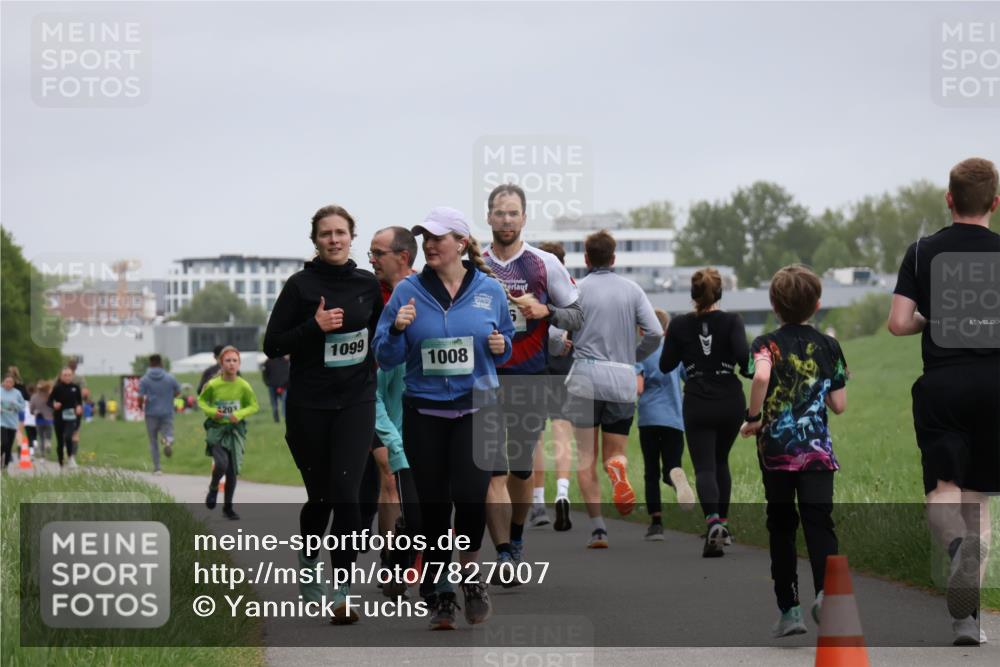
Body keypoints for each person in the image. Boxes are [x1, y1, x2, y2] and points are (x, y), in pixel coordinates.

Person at [374, 206, 515, 629]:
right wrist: (396, 330)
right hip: (425, 413)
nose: (430, 245)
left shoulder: (490, 290)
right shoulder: (407, 292)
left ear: (461, 242)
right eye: (425, 238)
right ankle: (441, 594)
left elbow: (505, 342)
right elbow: (384, 355)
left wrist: (499, 347)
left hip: (477, 409)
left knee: (471, 499)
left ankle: (470, 576)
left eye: (438, 237)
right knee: (435, 509)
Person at [887, 157, 1000, 646]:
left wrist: (929, 322)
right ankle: (968, 621)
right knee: (980, 501)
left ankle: (956, 547)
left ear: (949, 199)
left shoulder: (921, 253)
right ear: (996, 203)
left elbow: (897, 322)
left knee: (944, 490)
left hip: (943, 385)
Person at [263, 204, 383, 625]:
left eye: (341, 232)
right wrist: (314, 327)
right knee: (320, 498)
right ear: (314, 240)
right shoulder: (300, 286)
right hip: (309, 405)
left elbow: (380, 339)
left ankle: (342, 590)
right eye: (325, 234)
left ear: (352, 236)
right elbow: (272, 345)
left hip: (356, 401)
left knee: (346, 495)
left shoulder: (368, 284)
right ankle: (311, 559)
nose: (334, 239)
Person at [740, 264, 848, 639]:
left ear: (773, 304)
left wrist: (753, 417)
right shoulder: (830, 346)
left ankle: (790, 610)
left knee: (782, 527)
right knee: (821, 523)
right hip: (818, 453)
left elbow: (761, 376)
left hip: (777, 453)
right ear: (817, 304)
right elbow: (839, 404)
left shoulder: (765, 344)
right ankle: (827, 594)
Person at [481, 184, 583, 575]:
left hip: (528, 377)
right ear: (489, 217)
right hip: (484, 378)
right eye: (499, 213)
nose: (506, 220)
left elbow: (578, 316)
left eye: (513, 213)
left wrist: (545, 311)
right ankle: (503, 550)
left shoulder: (543, 264)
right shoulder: (475, 264)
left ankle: (518, 534)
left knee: (520, 467)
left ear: (524, 218)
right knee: (491, 468)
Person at [564, 230, 663, 548]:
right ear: (615, 258)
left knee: (585, 459)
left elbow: (554, 337)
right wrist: (632, 357)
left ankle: (598, 529)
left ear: (586, 258)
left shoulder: (576, 290)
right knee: (614, 453)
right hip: (621, 379)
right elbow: (656, 332)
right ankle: (618, 470)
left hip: (584, 379)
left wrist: (563, 345)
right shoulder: (632, 290)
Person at [660, 267, 750, 557]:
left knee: (705, 467)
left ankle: (712, 523)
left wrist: (679, 344)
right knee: (720, 461)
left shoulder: (679, 325)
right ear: (720, 293)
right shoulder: (732, 321)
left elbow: (665, 365)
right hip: (730, 402)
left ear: (693, 295)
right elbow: (746, 363)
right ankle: (722, 525)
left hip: (698, 401)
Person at [367, 225, 419, 597]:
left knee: (417, 487)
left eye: (377, 254)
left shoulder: (425, 290)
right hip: (371, 391)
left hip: (412, 398)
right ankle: (392, 561)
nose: (370, 261)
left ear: (402, 257)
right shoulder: (367, 293)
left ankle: (406, 555)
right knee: (388, 473)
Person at [525, 241, 577, 530]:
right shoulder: (570, 290)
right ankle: (563, 492)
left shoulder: (531, 290)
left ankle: (538, 502)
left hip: (535, 365)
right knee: (561, 432)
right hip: (563, 369)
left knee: (534, 437)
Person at [636, 308, 694, 541]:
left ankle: (656, 524)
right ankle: (675, 478)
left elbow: (638, 387)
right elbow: (689, 380)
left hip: (649, 418)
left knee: (650, 472)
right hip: (674, 419)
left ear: (643, 329)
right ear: (667, 329)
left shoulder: (640, 353)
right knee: (671, 466)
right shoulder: (675, 353)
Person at [198, 346, 259, 520]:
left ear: (239, 364)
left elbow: (253, 405)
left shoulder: (243, 385)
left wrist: (238, 414)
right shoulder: (213, 384)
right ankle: (213, 487)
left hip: (235, 431)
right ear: (221, 363)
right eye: (228, 361)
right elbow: (201, 401)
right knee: (222, 463)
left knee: (232, 471)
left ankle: (228, 507)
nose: (231, 364)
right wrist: (212, 412)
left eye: (235, 361)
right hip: (217, 430)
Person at [138, 354, 182, 474]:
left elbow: (140, 397)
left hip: (151, 413)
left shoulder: (144, 379)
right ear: (161, 363)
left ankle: (157, 468)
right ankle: (167, 441)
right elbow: (178, 392)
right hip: (167, 411)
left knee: (153, 441)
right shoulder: (170, 378)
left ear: (150, 364)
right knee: (168, 432)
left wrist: (140, 406)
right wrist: (169, 397)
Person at [47, 367, 83, 468]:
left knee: (68, 436)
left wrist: (79, 407)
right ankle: (61, 463)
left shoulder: (76, 388)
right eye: (65, 375)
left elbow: (79, 401)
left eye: (69, 375)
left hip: (71, 417)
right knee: (60, 442)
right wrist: (54, 405)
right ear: (61, 377)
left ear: (72, 376)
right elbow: (49, 402)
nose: (67, 377)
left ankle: (71, 458)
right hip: (59, 417)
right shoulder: (57, 388)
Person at [1, 373, 26, 472]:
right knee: (4, 442)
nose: (8, 384)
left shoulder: (17, 393)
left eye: (11, 382)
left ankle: (5, 467)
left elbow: (22, 406)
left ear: (13, 383)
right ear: (3, 381)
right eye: (7, 381)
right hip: (2, 421)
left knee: (9, 446)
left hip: (12, 422)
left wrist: (15, 405)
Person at [261, 355, 290, 422]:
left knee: (274, 403)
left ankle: (277, 418)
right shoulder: (285, 361)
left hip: (273, 385)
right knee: (284, 402)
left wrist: (267, 383)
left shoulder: (268, 361)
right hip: (282, 386)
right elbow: (287, 374)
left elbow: (264, 374)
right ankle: (285, 417)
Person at [30, 381, 54, 461]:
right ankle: (48, 442)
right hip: (49, 419)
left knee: (41, 437)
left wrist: (35, 412)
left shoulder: (34, 397)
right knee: (48, 435)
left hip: (39, 419)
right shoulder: (49, 396)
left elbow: (31, 410)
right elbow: (53, 407)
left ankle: (42, 456)